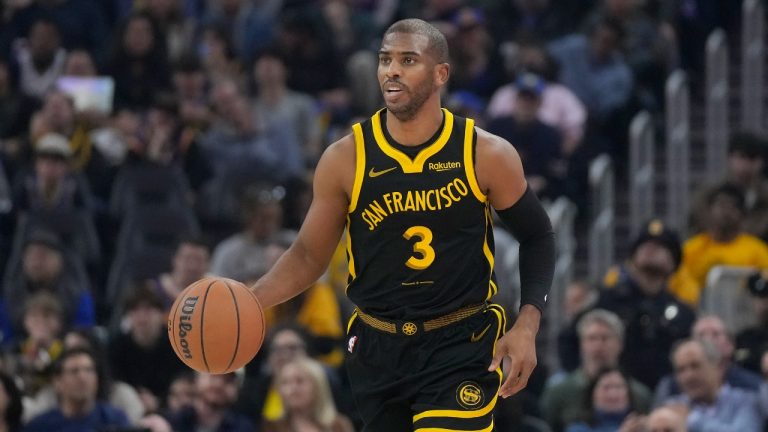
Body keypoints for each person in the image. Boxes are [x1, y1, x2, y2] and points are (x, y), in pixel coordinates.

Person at [248, 18, 555, 431]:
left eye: (407, 60)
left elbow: (538, 234)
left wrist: (528, 324)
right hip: (377, 344)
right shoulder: (346, 158)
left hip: (459, 341)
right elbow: (307, 255)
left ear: (440, 73)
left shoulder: (485, 153)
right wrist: (249, 301)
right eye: (385, 60)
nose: (391, 70)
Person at [541, 309, 651, 432]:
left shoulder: (639, 394)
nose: (598, 346)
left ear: (620, 344)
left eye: (605, 338)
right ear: (581, 344)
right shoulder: (559, 392)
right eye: (592, 338)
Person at [660, 338, 762, 432]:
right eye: (681, 370)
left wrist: (693, 419)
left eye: (695, 366)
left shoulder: (744, 402)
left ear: (719, 367)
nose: (689, 376)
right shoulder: (672, 407)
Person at [23, 347, 131, 431]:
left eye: (89, 370)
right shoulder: (40, 427)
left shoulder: (115, 421)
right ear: (58, 382)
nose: (83, 378)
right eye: (74, 371)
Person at [263, 357, 355, 432]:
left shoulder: (339, 426)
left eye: (300, 381)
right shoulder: (273, 427)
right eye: (285, 382)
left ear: (318, 385)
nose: (292, 388)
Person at [564, 367, 648, 432]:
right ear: (593, 394)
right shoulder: (578, 429)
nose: (612, 394)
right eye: (606, 388)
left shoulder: (643, 425)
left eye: (618, 387)